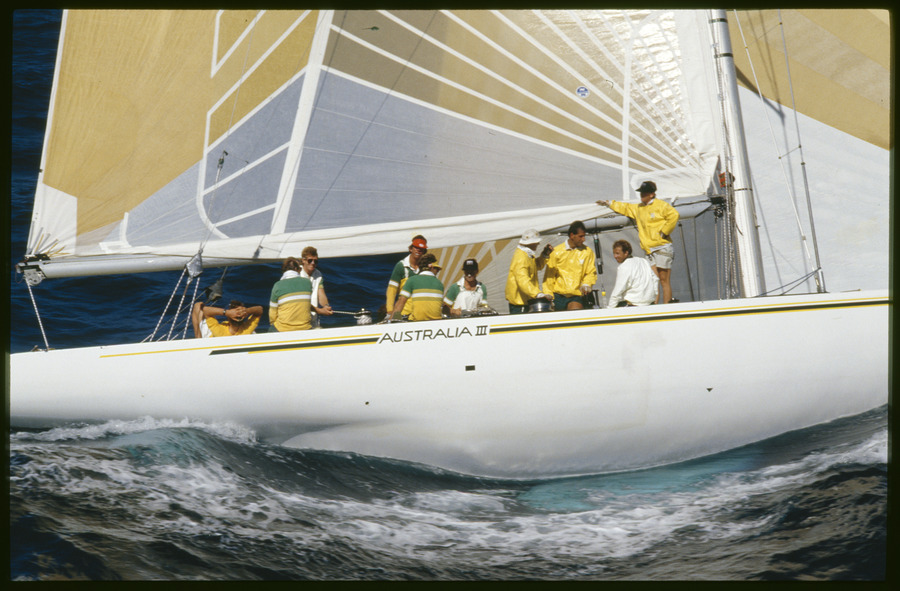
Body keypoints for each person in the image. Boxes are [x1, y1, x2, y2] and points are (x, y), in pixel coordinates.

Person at [597, 181, 679, 304]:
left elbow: (674, 215)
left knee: (663, 279)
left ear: (652, 194)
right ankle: (654, 307)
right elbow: (626, 208)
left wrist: (664, 231)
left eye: (645, 193)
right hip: (649, 249)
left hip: (662, 246)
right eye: (641, 193)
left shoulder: (661, 205)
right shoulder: (639, 208)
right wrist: (609, 203)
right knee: (653, 280)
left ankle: (666, 307)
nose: (642, 195)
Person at [543, 220, 597, 310]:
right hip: (558, 296)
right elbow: (549, 276)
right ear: (572, 235)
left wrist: (587, 284)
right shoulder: (556, 252)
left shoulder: (587, 252)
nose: (583, 239)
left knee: (575, 311)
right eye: (581, 236)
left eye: (584, 236)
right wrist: (548, 294)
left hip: (576, 295)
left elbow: (591, 272)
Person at [505, 229, 553, 314]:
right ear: (531, 243)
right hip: (520, 304)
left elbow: (535, 267)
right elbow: (522, 280)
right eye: (536, 242)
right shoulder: (521, 257)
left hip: (525, 301)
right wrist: (538, 294)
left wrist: (545, 255)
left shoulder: (526, 254)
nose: (538, 244)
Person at [390, 253, 444, 321]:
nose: (438, 271)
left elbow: (401, 302)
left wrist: (390, 320)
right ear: (431, 267)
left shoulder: (412, 280)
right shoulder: (439, 284)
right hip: (436, 321)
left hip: (416, 321)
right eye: (437, 268)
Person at [607, 239, 658, 308]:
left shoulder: (624, 266)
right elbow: (655, 279)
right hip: (649, 303)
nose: (615, 256)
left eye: (617, 253)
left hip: (633, 306)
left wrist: (610, 308)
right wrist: (653, 296)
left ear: (626, 253)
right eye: (614, 253)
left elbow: (618, 290)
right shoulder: (643, 261)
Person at [386, 235, 427, 318]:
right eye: (416, 247)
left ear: (424, 251)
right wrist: (390, 310)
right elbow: (392, 289)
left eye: (421, 249)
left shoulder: (425, 267)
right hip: (405, 312)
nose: (418, 250)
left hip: (421, 311)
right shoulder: (401, 266)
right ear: (410, 249)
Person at [269, 257, 314, 331]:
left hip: (283, 329)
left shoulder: (277, 285)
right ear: (296, 269)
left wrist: (272, 325)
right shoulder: (307, 282)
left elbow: (272, 314)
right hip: (305, 327)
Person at [299, 246, 333, 328]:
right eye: (310, 260)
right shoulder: (297, 273)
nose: (313, 263)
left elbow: (321, 294)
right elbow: (301, 301)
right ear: (303, 260)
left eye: (315, 261)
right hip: (298, 319)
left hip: (313, 319)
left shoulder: (318, 274)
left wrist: (326, 307)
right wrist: (320, 311)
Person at [191, 300, 263, 338]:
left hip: (212, 338)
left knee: (198, 305)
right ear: (244, 317)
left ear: (229, 318)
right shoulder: (247, 329)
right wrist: (247, 311)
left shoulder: (219, 331)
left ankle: (198, 338)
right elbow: (260, 310)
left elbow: (205, 310)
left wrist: (227, 312)